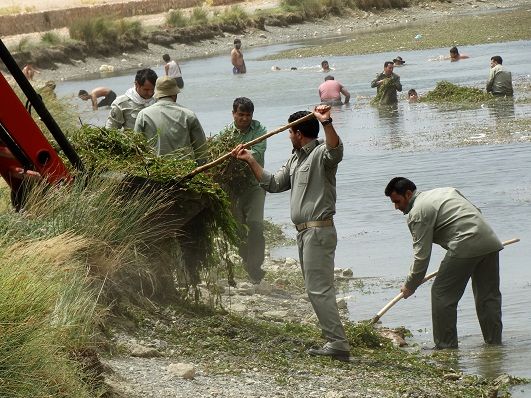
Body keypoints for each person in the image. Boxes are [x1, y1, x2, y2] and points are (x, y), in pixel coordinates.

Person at [231, 105, 351, 361]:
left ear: (298, 133)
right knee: (314, 288)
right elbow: (273, 183)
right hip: (304, 234)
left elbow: (336, 150)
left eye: (290, 132)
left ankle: (338, 344)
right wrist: (250, 159)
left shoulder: (321, 154)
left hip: (319, 231)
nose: (288, 136)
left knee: (319, 289)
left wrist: (327, 122)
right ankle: (334, 340)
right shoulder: (296, 159)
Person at [384, 177, 503, 349]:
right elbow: (476, 212)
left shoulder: (417, 213)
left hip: (465, 243)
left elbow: (421, 257)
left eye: (397, 201)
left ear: (408, 194)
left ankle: (446, 348)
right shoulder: (446, 191)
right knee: (488, 297)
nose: (396, 207)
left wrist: (410, 284)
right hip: (489, 240)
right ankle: (495, 345)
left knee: (441, 294)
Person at [218, 97, 267, 284]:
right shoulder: (225, 134)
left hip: (255, 186)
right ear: (233, 114)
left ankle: (255, 266)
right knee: (237, 228)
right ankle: (246, 258)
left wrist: (243, 154)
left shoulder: (260, 131)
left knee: (255, 224)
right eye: (241, 115)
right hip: (233, 188)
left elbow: (258, 152)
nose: (244, 118)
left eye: (248, 115)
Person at [134, 76, 207, 164]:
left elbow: (137, 147)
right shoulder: (188, 115)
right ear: (175, 94)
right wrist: (203, 168)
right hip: (186, 170)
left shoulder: (143, 114)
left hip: (154, 169)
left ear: (157, 94)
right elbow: (201, 148)